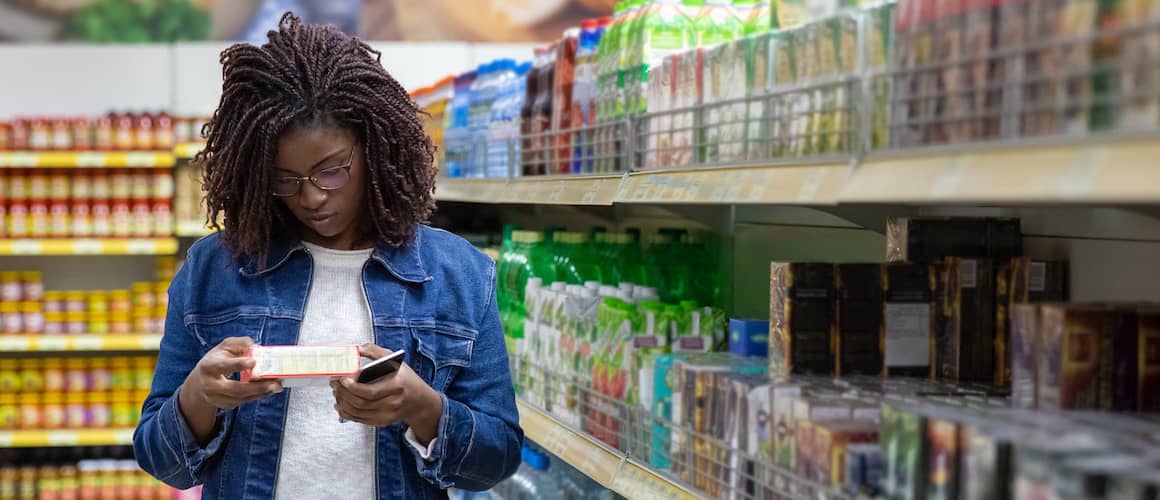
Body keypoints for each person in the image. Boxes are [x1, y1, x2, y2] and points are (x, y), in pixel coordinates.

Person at [133, 12, 523, 499]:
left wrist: (424, 408)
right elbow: (161, 462)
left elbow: (497, 460)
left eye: (330, 171)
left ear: (375, 146)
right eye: (285, 179)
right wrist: (197, 397)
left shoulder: (458, 273)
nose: (311, 197)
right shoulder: (216, 268)